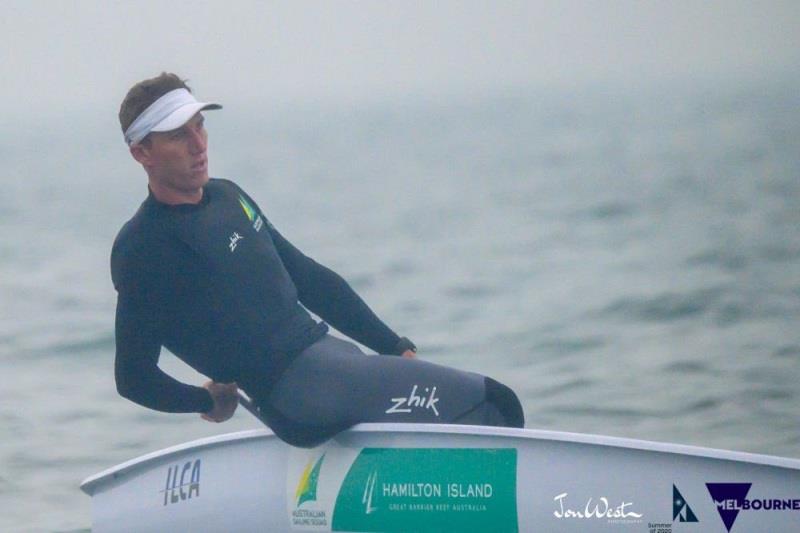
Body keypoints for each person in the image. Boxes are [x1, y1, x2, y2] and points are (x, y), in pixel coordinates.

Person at [112, 72, 524, 447]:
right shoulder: (143, 247)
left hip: (334, 363)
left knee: (446, 409)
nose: (199, 146)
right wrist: (204, 400)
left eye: (200, 126)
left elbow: (307, 278)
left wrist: (393, 346)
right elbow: (134, 377)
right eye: (178, 136)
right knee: (494, 404)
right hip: (300, 397)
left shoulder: (227, 196)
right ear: (141, 152)